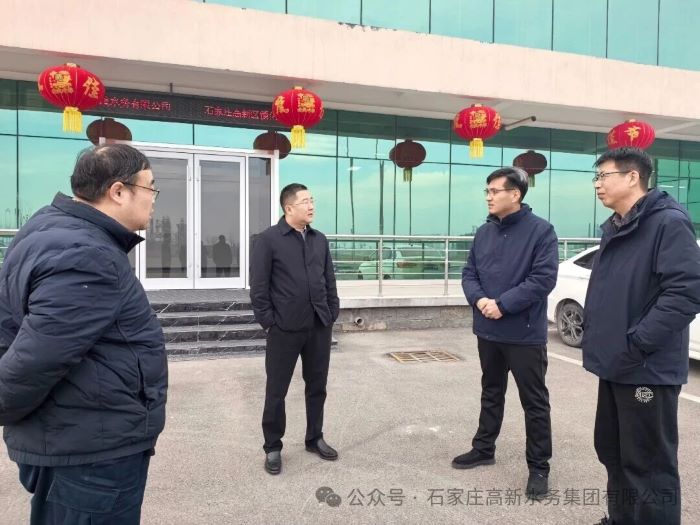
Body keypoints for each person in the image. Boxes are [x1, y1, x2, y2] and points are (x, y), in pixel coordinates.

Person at [0, 144, 167, 524]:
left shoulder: (52, 229)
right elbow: (36, 359)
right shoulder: (85, 252)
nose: (154, 199)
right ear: (118, 191)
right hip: (90, 454)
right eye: (150, 187)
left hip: (77, 436)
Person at [583, 147, 700, 525]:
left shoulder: (667, 223)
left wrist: (637, 343)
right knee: (614, 452)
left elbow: (686, 293)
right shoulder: (618, 226)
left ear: (633, 177)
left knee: (649, 464)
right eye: (596, 177)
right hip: (616, 363)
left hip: (646, 367)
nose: (598, 184)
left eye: (604, 176)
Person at [457, 166, 559, 500]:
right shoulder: (484, 232)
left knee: (534, 402)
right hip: (488, 330)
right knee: (491, 391)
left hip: (523, 333)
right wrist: (480, 300)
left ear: (515, 194)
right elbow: (469, 273)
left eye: (494, 191)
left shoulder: (541, 231)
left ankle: (539, 467)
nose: (488, 197)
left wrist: (503, 304)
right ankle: (483, 448)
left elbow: (542, 279)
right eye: (486, 191)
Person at [250, 183, 340, 475]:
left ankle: (315, 438)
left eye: (312, 200)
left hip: (318, 325)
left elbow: (329, 279)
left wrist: (332, 311)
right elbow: (259, 287)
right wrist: (269, 322)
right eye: (305, 201)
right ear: (289, 208)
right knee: (276, 390)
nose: (311, 206)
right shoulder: (268, 240)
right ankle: (273, 446)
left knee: (317, 386)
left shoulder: (319, 239)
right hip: (284, 329)